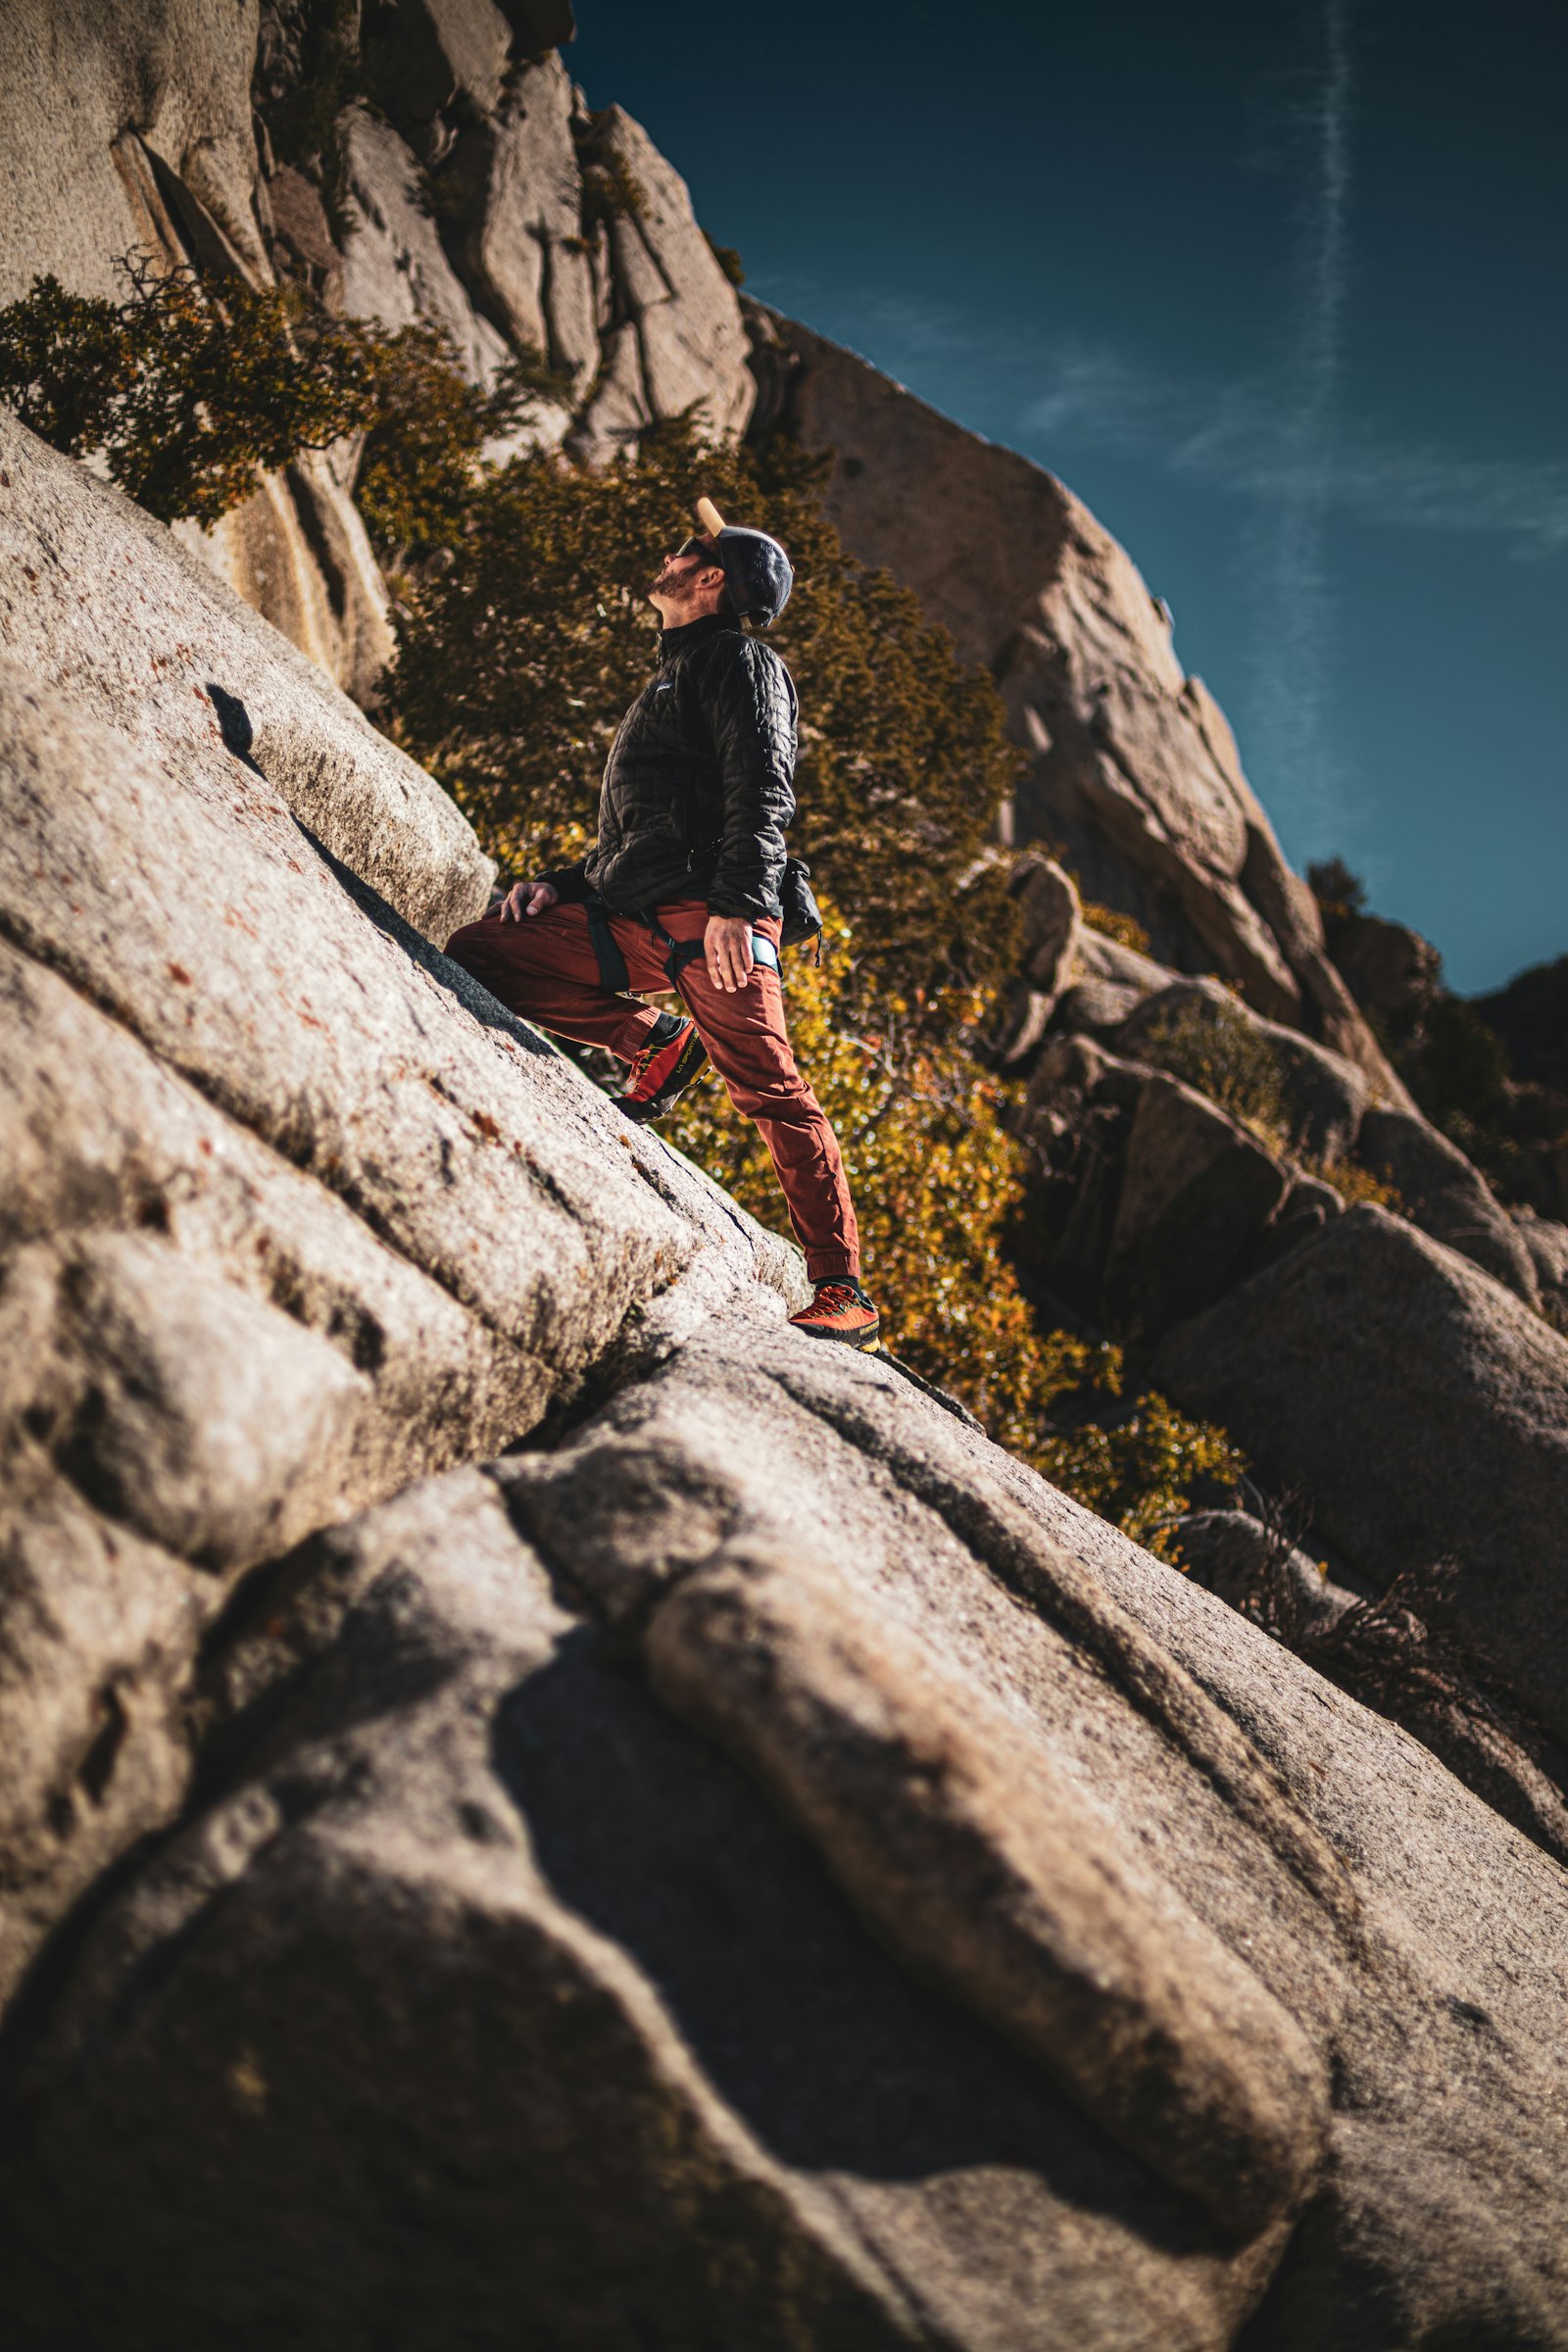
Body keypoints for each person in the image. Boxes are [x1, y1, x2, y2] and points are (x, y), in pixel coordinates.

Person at [444, 505, 880, 1350]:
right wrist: (560, 884)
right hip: (632, 913)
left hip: (710, 920)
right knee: (483, 952)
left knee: (772, 1092)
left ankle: (843, 1288)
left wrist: (743, 906)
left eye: (688, 550)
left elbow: (764, 789)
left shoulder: (741, 662)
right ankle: (655, 1044)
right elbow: (643, 822)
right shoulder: (676, 673)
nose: (671, 555)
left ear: (710, 578)